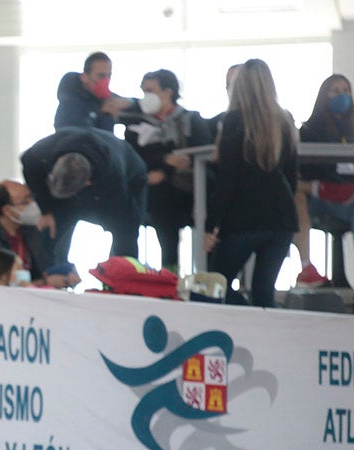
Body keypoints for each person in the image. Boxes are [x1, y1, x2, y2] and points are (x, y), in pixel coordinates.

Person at [203, 59, 298, 308]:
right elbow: (292, 177)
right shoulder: (285, 121)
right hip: (281, 219)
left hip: (243, 219)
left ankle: (242, 322)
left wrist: (211, 225)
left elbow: (227, 180)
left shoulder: (234, 122)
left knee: (212, 288)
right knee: (264, 293)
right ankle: (266, 339)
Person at [293, 74, 354, 291]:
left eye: (346, 90)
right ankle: (307, 269)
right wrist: (337, 187)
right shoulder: (309, 131)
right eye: (335, 91)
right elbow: (305, 170)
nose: (342, 96)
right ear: (324, 96)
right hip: (320, 196)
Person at [124, 69, 212, 274]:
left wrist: (165, 170)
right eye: (143, 91)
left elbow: (199, 155)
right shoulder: (135, 124)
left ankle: (197, 273)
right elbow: (132, 157)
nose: (145, 96)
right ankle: (163, 272)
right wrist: (165, 161)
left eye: (150, 90)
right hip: (153, 194)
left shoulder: (191, 120)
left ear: (168, 92)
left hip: (189, 191)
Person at [21, 127, 147, 267]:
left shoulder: (113, 178)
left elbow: (123, 223)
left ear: (87, 183)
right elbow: (30, 168)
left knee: (126, 230)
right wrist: (46, 210)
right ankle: (52, 273)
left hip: (131, 177)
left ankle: (122, 277)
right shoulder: (41, 153)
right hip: (82, 161)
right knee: (52, 225)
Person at [54, 51, 134, 132]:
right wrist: (106, 116)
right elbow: (85, 141)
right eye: (101, 76)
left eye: (109, 76)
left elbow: (129, 102)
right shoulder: (69, 107)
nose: (106, 80)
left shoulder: (103, 97)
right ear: (84, 77)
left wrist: (130, 102)